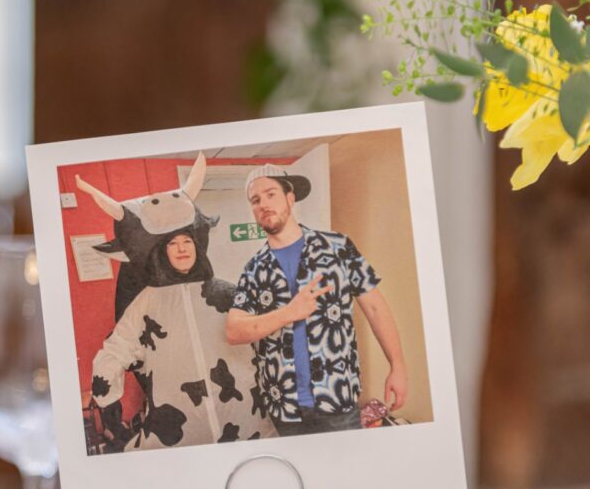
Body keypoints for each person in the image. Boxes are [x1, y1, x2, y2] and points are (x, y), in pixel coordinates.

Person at [225, 164, 407, 436]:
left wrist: (398, 366)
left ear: (290, 197)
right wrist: (289, 312)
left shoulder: (338, 248)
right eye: (255, 200)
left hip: (337, 398)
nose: (263, 204)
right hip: (284, 407)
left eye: (271, 194)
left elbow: (375, 307)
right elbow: (234, 330)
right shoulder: (254, 269)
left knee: (349, 474)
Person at [91, 228, 275, 452]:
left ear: (197, 247)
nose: (181, 248)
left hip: (245, 417)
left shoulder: (227, 294)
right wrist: (108, 404)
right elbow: (116, 349)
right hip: (180, 429)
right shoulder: (147, 303)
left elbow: (263, 335)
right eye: (172, 243)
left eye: (187, 241)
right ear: (162, 251)